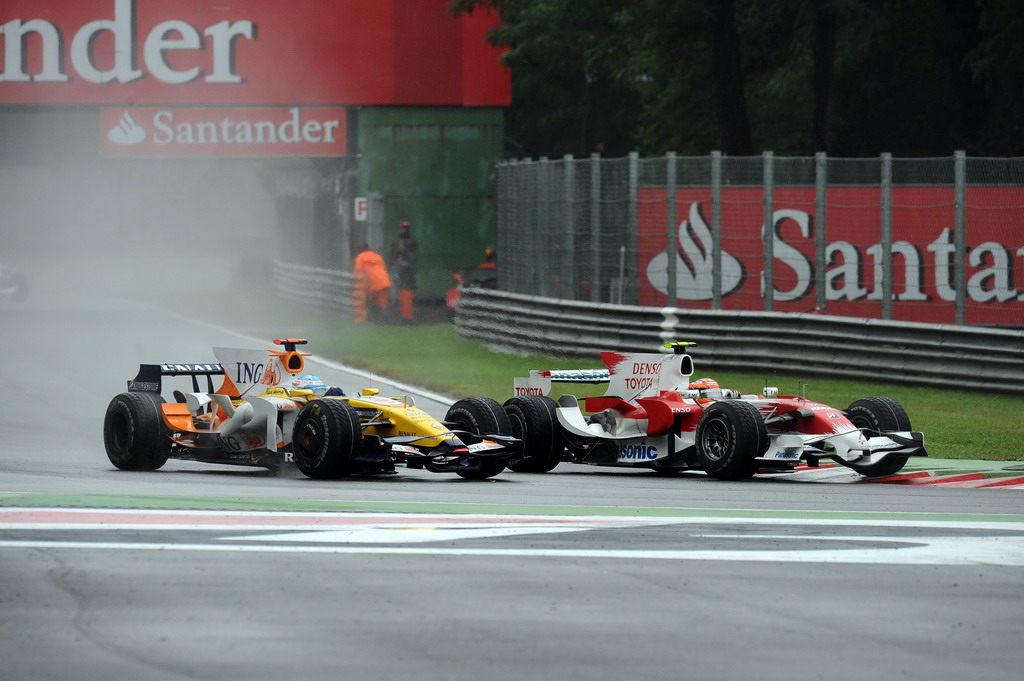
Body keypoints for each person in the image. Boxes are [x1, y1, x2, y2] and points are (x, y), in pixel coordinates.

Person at [352, 242, 391, 323]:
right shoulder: (377, 257)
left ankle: (373, 319)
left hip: (372, 284)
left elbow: (358, 274)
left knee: (371, 303)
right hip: (384, 282)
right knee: (383, 304)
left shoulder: (360, 258)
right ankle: (385, 321)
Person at [389, 220, 418, 322]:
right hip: (398, 270)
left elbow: (414, 257)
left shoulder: (412, 241)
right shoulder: (396, 241)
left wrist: (405, 252)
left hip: (407, 271)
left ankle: (407, 315)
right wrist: (398, 253)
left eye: (406, 228)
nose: (404, 229)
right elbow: (392, 255)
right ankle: (402, 313)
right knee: (399, 293)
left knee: (406, 293)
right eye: (403, 227)